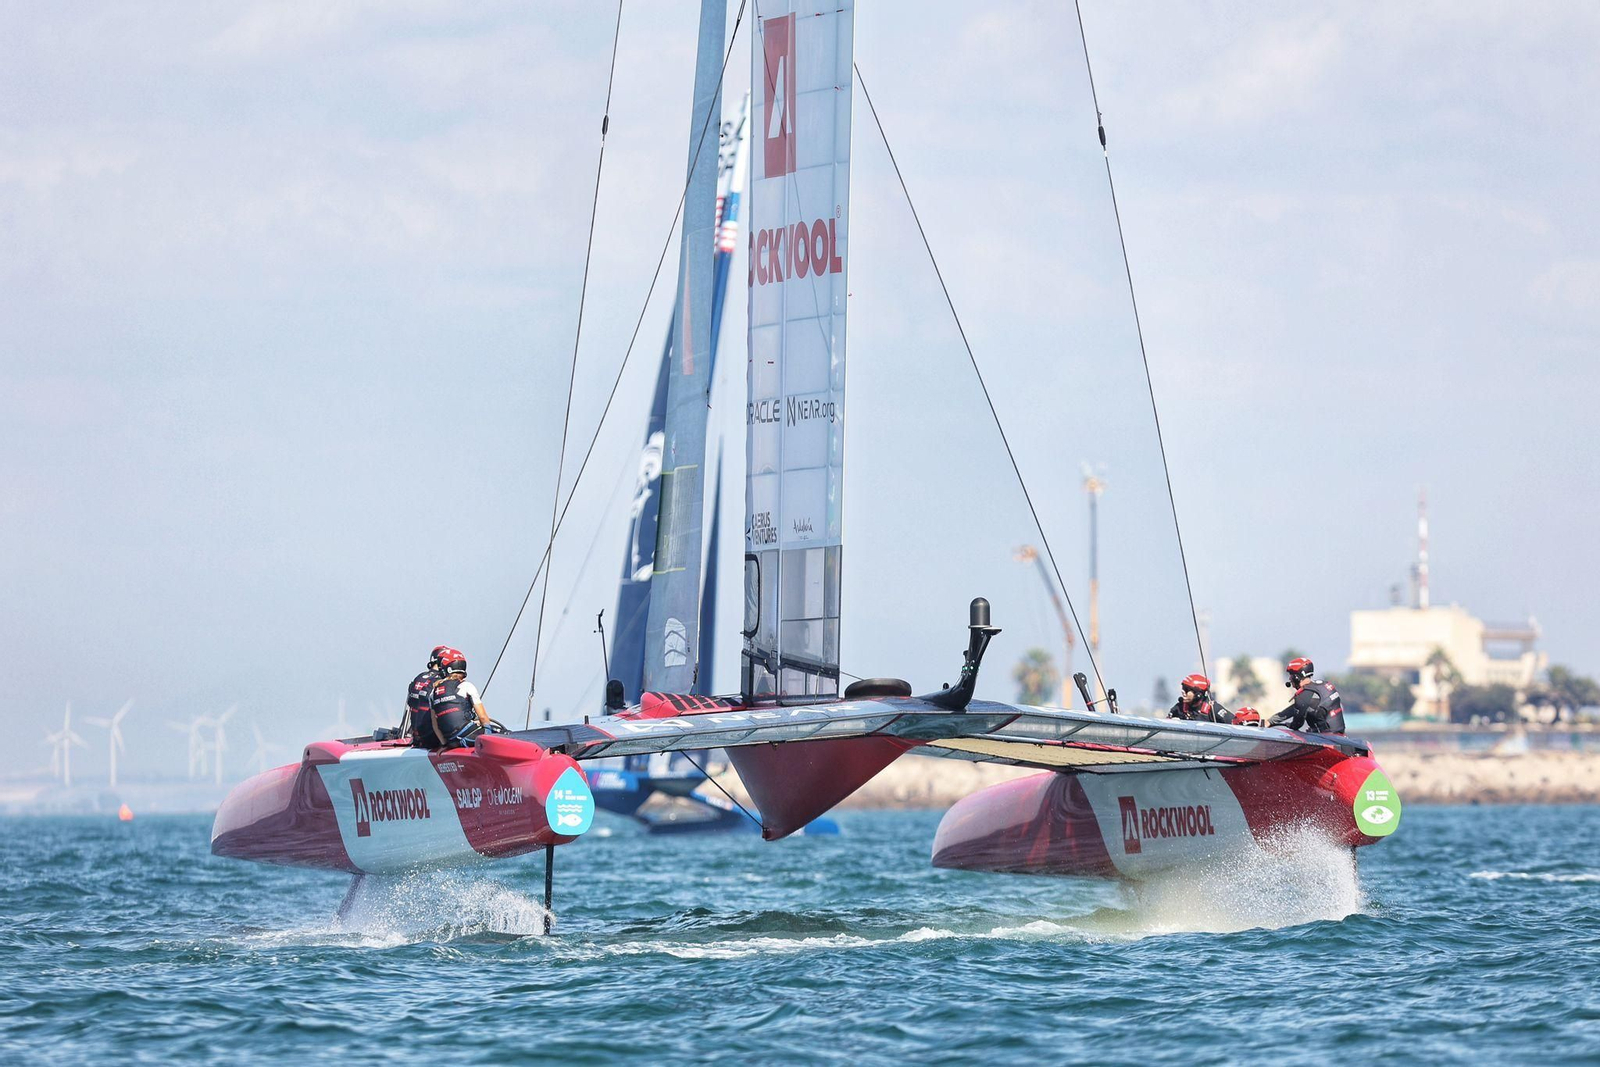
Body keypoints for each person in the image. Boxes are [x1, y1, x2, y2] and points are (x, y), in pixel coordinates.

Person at [421, 649, 490, 750]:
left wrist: (445, 745)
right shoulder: (467, 686)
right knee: (502, 734)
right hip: (469, 737)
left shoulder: (433, 692)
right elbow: (483, 718)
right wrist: (489, 735)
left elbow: (435, 726)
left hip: (452, 742)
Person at [1270, 657, 1346, 734]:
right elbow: (1298, 707)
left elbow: (1297, 724)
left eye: (1291, 675)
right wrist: (1271, 721)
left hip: (1324, 740)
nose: (1290, 678)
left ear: (1297, 677)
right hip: (1340, 737)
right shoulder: (1324, 685)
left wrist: (1290, 725)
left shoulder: (1303, 696)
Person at [403, 645, 450, 746]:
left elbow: (410, 704)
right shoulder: (442, 681)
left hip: (416, 738)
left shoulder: (418, 678)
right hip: (433, 740)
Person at [1168, 673, 1233, 724]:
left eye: (1186, 689)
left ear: (1198, 694)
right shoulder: (1179, 708)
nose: (1183, 692)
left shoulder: (1214, 709)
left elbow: (1235, 724)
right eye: (1183, 688)